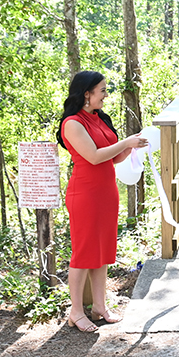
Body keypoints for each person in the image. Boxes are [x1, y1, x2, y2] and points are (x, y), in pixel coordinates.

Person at [56, 71, 147, 332]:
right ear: (87, 93)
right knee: (84, 252)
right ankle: (75, 311)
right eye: (103, 91)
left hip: (106, 191)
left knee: (102, 251)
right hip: (85, 192)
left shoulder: (99, 119)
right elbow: (94, 157)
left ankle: (99, 306)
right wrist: (124, 143)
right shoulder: (73, 123)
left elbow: (113, 158)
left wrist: (132, 146)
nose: (106, 96)